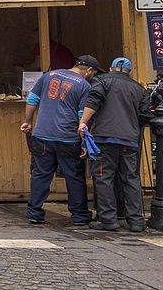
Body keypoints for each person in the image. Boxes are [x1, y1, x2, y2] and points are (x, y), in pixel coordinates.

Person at [21, 54, 103, 225]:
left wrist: (28, 121)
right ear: (89, 70)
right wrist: (84, 142)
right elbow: (82, 116)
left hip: (42, 135)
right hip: (68, 138)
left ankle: (34, 212)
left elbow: (32, 99)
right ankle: (79, 215)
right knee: (73, 177)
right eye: (94, 73)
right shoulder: (84, 86)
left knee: (40, 175)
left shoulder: (48, 75)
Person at [79, 57, 152, 233]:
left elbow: (94, 101)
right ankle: (135, 221)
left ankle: (108, 219)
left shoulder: (101, 81)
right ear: (130, 72)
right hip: (129, 140)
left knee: (104, 177)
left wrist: (83, 122)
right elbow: (144, 116)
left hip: (104, 138)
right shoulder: (139, 89)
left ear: (111, 69)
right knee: (131, 178)